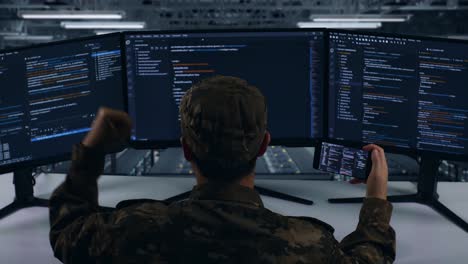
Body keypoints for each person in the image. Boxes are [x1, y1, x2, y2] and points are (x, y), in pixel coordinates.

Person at [49, 76, 395, 263]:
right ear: (263, 146)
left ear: (186, 149)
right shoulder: (308, 244)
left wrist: (92, 150)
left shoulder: (134, 230)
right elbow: (370, 257)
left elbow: (68, 233)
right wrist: (376, 198)